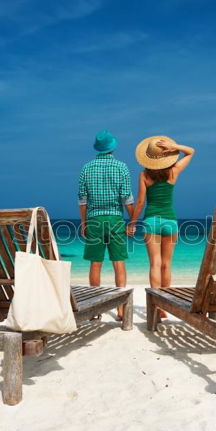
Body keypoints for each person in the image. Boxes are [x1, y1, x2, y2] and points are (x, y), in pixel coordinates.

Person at [127, 136, 195, 320]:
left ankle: (156, 307)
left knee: (155, 264)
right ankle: (165, 305)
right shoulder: (174, 171)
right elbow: (191, 151)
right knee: (166, 264)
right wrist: (174, 146)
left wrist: (132, 222)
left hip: (151, 222)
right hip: (170, 222)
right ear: (165, 156)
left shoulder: (144, 175)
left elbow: (140, 202)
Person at [78, 130, 135, 320]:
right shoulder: (121, 167)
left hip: (94, 219)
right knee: (118, 263)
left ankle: (96, 309)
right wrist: (133, 221)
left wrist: (84, 223)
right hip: (115, 220)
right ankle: (120, 308)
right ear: (113, 147)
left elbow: (82, 200)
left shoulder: (86, 168)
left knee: (96, 264)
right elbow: (127, 199)